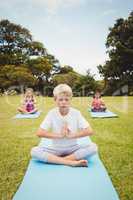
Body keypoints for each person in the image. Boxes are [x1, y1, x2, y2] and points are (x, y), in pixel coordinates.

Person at [31, 84, 97, 167]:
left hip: (73, 148)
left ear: (70, 100)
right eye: (60, 99)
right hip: (56, 149)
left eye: (66, 99)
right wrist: (60, 135)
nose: (64, 102)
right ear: (55, 100)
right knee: (34, 151)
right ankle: (70, 162)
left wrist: (71, 135)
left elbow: (89, 131)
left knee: (93, 147)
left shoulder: (76, 113)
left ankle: (57, 160)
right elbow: (39, 133)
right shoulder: (52, 113)